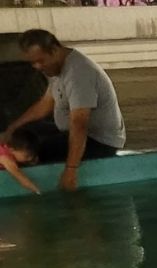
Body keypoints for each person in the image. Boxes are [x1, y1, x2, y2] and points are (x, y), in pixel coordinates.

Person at [2, 29, 126, 191]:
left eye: (40, 61)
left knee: (33, 151)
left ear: (54, 49)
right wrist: (12, 128)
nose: (37, 67)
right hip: (70, 129)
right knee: (23, 136)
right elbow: (44, 105)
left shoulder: (78, 73)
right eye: (33, 63)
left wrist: (71, 170)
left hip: (98, 140)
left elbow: (79, 123)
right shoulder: (54, 68)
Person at [0, 128, 40, 195]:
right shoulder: (6, 159)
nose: (30, 159)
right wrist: (37, 191)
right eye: (27, 156)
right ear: (12, 150)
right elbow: (20, 177)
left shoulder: (9, 151)